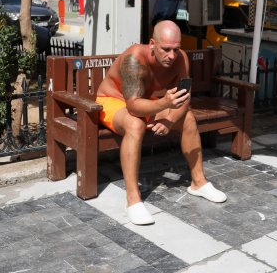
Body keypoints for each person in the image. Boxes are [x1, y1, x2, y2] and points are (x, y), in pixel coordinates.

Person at [95, 20, 227, 225]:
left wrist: (170, 119)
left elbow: (185, 97)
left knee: (187, 117)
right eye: (166, 49)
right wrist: (164, 104)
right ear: (152, 44)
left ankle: (198, 182)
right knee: (135, 124)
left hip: (145, 102)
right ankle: (133, 200)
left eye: (176, 49)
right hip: (112, 101)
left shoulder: (181, 59)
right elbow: (133, 107)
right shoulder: (134, 59)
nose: (171, 56)